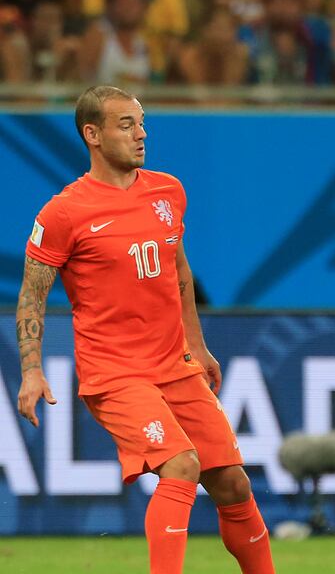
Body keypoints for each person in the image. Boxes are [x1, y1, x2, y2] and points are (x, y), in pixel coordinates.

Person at [14, 85, 275, 574]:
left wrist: (196, 346)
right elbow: (31, 295)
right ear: (92, 135)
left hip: (175, 366)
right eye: (127, 125)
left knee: (234, 484)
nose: (141, 134)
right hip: (115, 374)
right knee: (181, 465)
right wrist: (31, 370)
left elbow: (178, 272)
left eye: (142, 122)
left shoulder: (167, 191)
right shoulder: (64, 213)